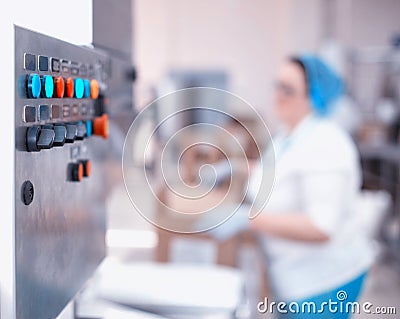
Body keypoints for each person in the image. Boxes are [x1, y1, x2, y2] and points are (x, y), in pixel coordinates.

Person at [204, 55, 374, 318]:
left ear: (314, 94)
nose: (278, 95)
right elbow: (278, 171)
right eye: (277, 85)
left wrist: (249, 220)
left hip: (323, 281)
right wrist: (236, 167)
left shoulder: (327, 144)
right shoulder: (290, 135)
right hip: (292, 276)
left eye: (288, 89)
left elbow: (321, 226)